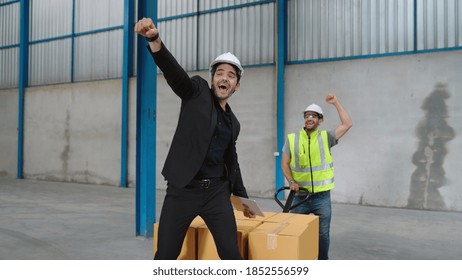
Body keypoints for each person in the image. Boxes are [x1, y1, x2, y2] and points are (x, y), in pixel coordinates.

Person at [134, 18, 254, 260]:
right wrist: (154, 40)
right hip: (183, 189)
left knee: (231, 253)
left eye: (231, 76)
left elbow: (231, 162)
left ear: (236, 85)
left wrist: (243, 199)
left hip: (216, 193)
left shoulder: (234, 123)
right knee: (166, 254)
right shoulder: (197, 91)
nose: (224, 78)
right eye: (219, 73)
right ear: (212, 79)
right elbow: (174, 73)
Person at [281, 93, 352, 260]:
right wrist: (291, 181)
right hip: (300, 197)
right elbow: (284, 164)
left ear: (320, 120)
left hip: (322, 198)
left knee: (323, 235)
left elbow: (348, 123)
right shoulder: (293, 139)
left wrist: (336, 103)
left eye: (314, 116)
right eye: (307, 116)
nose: (309, 118)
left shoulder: (326, 137)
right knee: (296, 232)